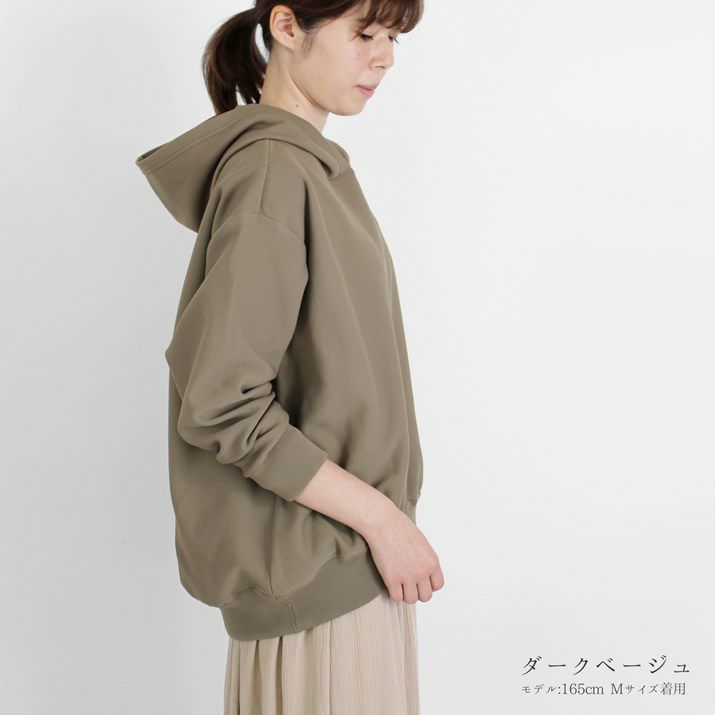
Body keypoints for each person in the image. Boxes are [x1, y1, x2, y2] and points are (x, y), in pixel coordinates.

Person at [134, 1, 444, 712]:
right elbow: (222, 400)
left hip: (344, 571)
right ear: (285, 27)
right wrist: (383, 520)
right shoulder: (274, 172)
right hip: (321, 589)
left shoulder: (305, 169)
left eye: (393, 38)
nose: (384, 56)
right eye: (364, 33)